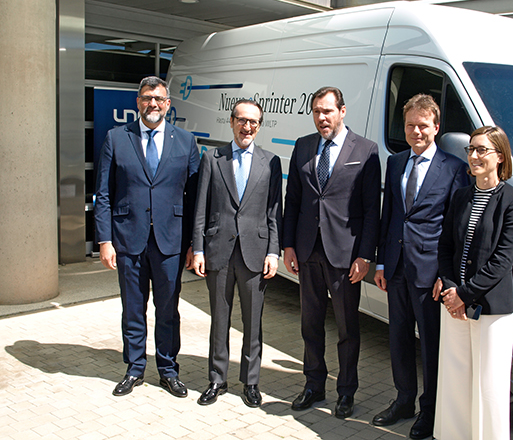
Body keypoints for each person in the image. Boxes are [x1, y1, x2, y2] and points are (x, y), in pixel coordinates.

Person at [371, 94, 470, 439]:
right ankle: (403, 400)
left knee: (430, 345)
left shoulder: (455, 169)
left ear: (436, 127)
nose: (416, 131)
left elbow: (456, 231)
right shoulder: (396, 162)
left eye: (423, 126)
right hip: (396, 268)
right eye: (410, 125)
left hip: (430, 275)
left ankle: (430, 411)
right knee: (397, 339)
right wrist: (381, 262)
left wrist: (448, 277)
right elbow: (390, 216)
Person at [95, 76, 200, 398]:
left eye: (158, 99)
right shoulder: (116, 138)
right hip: (128, 239)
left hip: (171, 241)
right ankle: (135, 368)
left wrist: (196, 244)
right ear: (137, 102)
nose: (152, 104)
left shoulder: (186, 141)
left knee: (168, 310)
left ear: (168, 104)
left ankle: (168, 370)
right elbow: (103, 193)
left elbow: (197, 197)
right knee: (133, 308)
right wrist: (104, 240)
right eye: (146, 98)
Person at [283, 86, 381, 419]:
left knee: (347, 329)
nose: (322, 118)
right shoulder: (303, 146)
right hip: (308, 250)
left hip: (345, 256)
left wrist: (365, 255)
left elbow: (372, 210)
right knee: (310, 325)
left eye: (327, 111)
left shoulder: (366, 150)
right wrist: (288, 245)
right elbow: (293, 200)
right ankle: (313, 385)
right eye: (316, 112)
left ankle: (346, 392)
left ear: (342, 111)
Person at [433, 126, 513, 440]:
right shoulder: (461, 195)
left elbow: (502, 261)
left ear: (499, 156)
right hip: (455, 304)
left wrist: (463, 294)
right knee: (455, 382)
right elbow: (446, 245)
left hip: (492, 309)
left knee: (489, 388)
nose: (473, 156)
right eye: (470, 149)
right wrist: (449, 287)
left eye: (481, 150)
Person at [191, 99, 282, 408]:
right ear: (231, 122)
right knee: (219, 319)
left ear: (259, 126)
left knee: (253, 321)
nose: (247, 127)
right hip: (218, 251)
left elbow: (274, 213)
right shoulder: (213, 158)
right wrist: (199, 248)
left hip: (255, 253)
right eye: (242, 120)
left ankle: (251, 381)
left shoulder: (270, 162)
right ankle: (217, 378)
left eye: (253, 122)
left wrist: (273, 251)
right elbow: (200, 209)